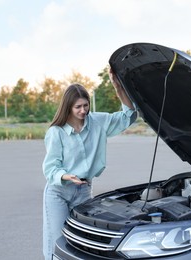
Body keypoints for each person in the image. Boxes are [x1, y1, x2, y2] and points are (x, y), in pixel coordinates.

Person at [42, 68, 137, 260]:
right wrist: (66, 176)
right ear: (68, 107)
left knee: (82, 241)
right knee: (57, 242)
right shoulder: (56, 132)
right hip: (59, 192)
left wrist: (118, 88)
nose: (83, 111)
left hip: (84, 190)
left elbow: (129, 116)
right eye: (78, 107)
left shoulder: (97, 122)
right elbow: (51, 167)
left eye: (86, 105)